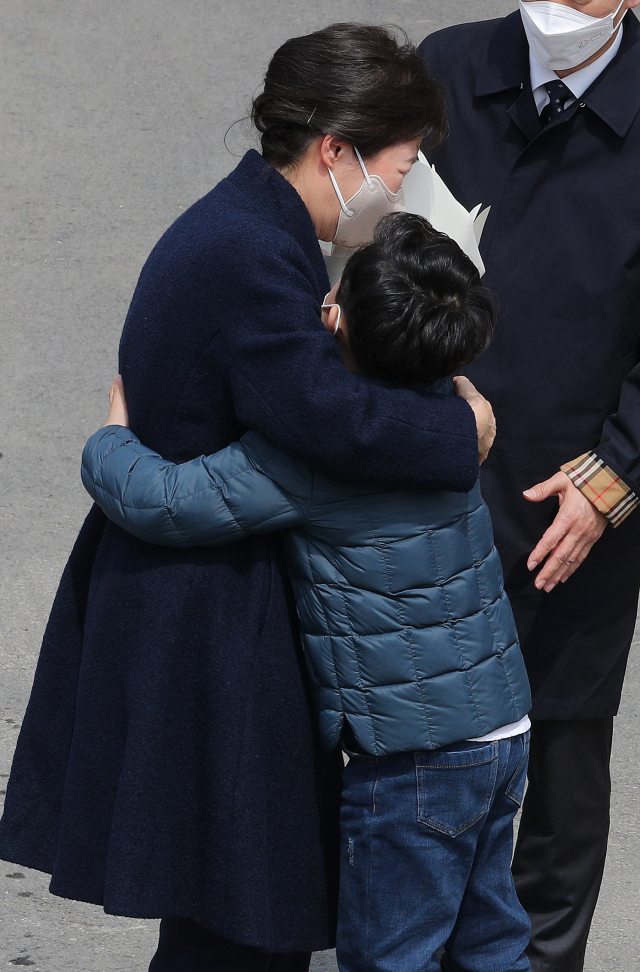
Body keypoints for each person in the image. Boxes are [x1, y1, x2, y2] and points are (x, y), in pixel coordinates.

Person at [0, 23, 496, 972]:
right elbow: (333, 426)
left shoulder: (252, 229)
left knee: (229, 922)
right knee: (245, 929)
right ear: (337, 151)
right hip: (206, 626)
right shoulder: (251, 254)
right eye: (402, 165)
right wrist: (462, 429)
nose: (403, 191)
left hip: (209, 598)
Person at [81, 211, 533, 972]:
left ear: (334, 319)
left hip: (412, 758)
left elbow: (168, 502)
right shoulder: (455, 413)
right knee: (492, 944)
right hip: (502, 734)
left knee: (394, 955)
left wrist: (109, 441)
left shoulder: (312, 452)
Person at [418, 2, 640, 970]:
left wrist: (613, 480)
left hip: (576, 497)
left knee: (559, 772)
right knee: (410, 769)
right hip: (426, 487)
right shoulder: (449, 66)